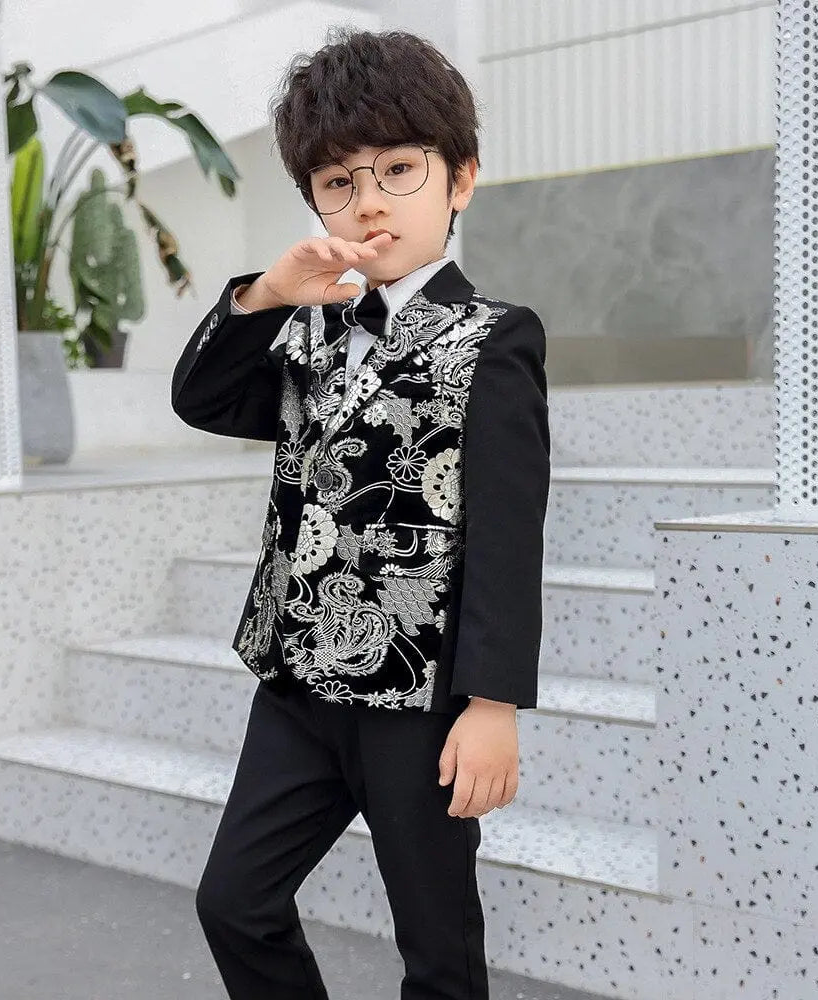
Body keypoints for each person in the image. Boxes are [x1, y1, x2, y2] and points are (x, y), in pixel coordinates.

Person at [171, 27, 550, 1000]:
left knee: (436, 948)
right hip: (295, 685)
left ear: (459, 179)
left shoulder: (493, 338)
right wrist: (262, 294)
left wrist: (492, 703)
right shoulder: (303, 323)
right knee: (235, 902)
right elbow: (204, 400)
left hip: (418, 702)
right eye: (339, 181)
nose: (369, 197)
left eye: (397, 168)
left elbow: (508, 531)